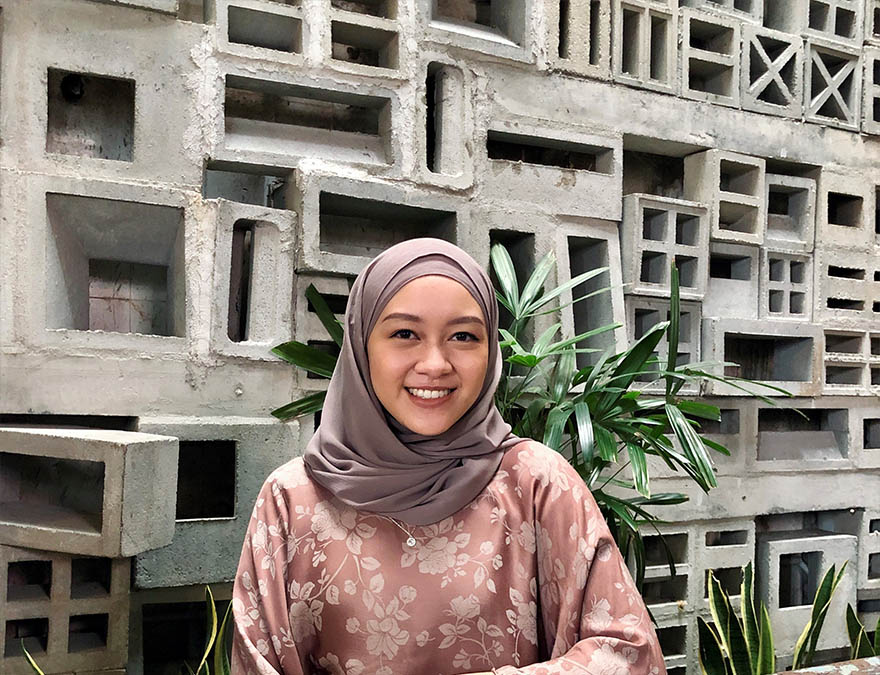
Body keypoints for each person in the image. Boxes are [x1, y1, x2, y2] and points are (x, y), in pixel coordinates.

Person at [231, 238, 666, 675]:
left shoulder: (536, 484)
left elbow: (628, 653)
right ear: (362, 344)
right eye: (404, 334)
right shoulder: (293, 500)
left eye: (463, 336)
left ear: (490, 349)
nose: (435, 364)